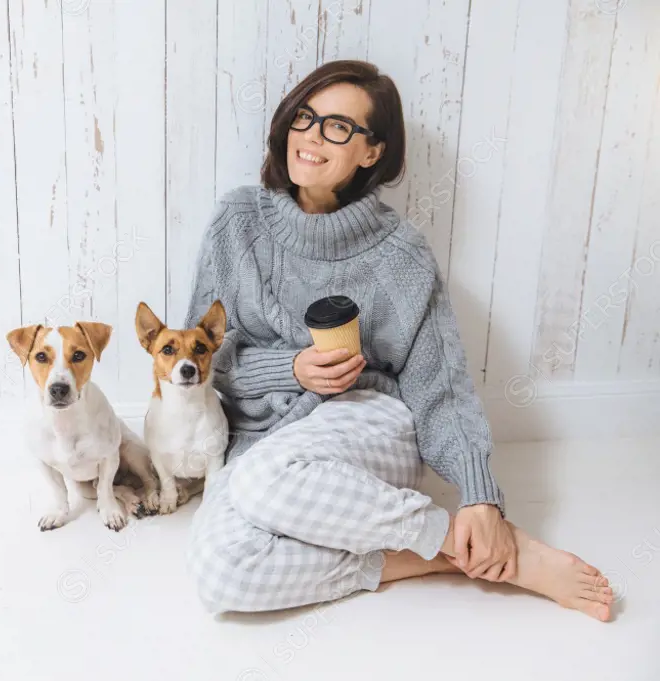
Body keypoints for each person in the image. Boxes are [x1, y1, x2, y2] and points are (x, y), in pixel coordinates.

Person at [184, 60, 613, 622]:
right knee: (222, 574)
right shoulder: (236, 221)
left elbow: (443, 389)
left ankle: (482, 538)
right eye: (305, 117)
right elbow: (194, 362)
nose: (312, 136)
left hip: (367, 420)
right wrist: (292, 370)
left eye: (338, 127)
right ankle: (454, 553)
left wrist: (479, 497)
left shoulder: (400, 255)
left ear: (372, 152)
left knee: (266, 482)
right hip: (266, 436)